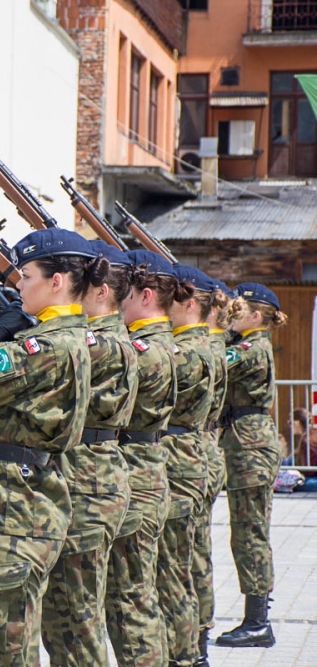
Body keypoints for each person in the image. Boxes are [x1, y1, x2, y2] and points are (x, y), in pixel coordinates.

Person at [0, 228, 99, 667]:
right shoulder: (66, 340)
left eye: (26, 276)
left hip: (9, 516)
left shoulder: (39, 348)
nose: (19, 285)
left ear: (58, 281)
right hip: (21, 508)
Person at [41, 240, 136, 667]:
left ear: (99, 291)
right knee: (70, 615)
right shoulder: (104, 339)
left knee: (77, 616)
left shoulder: (97, 344)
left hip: (87, 484)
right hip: (91, 479)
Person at [104, 249, 180, 667]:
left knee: (131, 600)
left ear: (146, 296)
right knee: (136, 595)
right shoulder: (158, 343)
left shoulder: (144, 349)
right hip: (144, 472)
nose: (119, 302)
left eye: (124, 293)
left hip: (137, 478)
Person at [214, 282, 287, 649]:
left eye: (238, 308)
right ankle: (257, 618)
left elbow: (214, 364)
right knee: (247, 532)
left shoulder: (251, 348)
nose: (231, 313)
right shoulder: (246, 344)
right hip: (244, 444)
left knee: (249, 534)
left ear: (256, 316)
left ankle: (258, 622)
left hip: (250, 448)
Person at [158, 264, 214, 667]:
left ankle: (187, 655)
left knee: (173, 572)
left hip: (179, 463)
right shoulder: (199, 346)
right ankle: (192, 651)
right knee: (182, 565)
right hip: (186, 458)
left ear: (190, 304)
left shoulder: (188, 351)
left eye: (171, 299)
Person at [192, 278, 234, 666]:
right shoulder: (215, 346)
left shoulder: (204, 347)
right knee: (197, 552)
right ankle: (198, 640)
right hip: (205, 449)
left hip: (195, 450)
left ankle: (196, 642)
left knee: (191, 557)